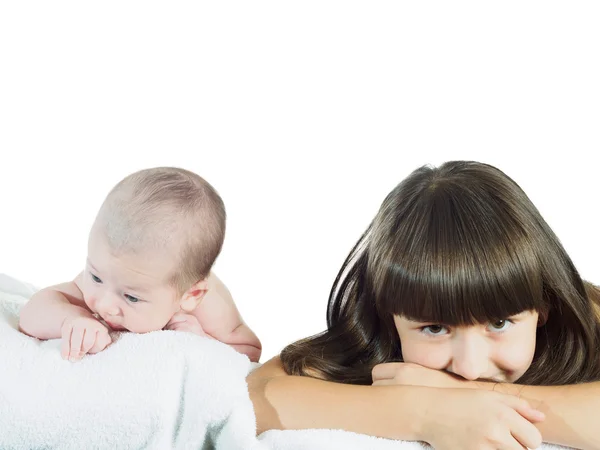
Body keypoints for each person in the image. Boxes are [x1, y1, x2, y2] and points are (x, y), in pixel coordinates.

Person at [248, 160, 600, 449]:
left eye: (499, 324)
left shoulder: (587, 313)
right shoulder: (374, 344)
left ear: (544, 308)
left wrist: (461, 394)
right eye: (435, 328)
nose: (469, 366)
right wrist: (427, 412)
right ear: (389, 318)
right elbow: (257, 396)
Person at [19, 167, 262, 363]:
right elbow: (32, 311)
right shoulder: (113, 276)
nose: (105, 306)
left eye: (131, 297)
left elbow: (250, 354)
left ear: (191, 295)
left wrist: (202, 340)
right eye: (95, 277)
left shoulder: (210, 308)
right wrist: (70, 319)